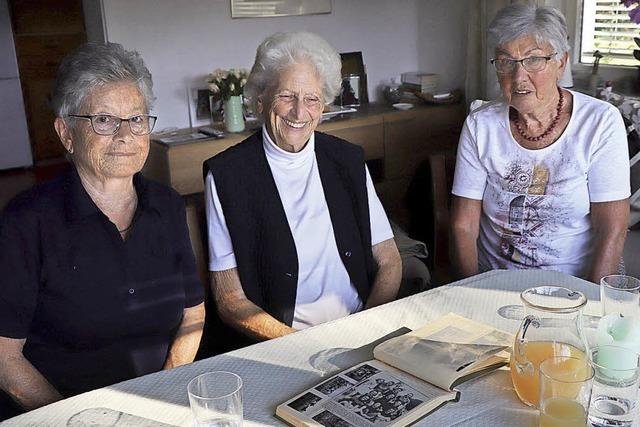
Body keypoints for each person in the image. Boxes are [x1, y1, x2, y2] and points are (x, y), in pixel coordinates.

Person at [0, 42, 205, 419]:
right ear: (66, 133)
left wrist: (169, 391)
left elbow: (193, 314)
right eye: (104, 120)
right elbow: (5, 358)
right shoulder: (26, 222)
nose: (125, 135)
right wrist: (72, 418)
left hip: (160, 405)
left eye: (137, 119)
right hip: (63, 411)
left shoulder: (168, 205)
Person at [203, 32, 401, 344]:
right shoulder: (228, 175)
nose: (299, 112)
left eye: (311, 99)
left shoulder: (347, 160)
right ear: (260, 100)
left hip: (359, 327)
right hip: (281, 341)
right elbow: (230, 300)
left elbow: (389, 259)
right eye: (286, 96)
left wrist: (369, 327)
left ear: (323, 107)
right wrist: (298, 345)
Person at [451, 4, 630, 282]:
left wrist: (595, 303)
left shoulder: (600, 122)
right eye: (506, 61)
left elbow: (612, 228)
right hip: (494, 281)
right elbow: (464, 225)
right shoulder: (480, 124)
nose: (519, 76)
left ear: (561, 62)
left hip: (571, 284)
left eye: (534, 60)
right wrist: (469, 290)